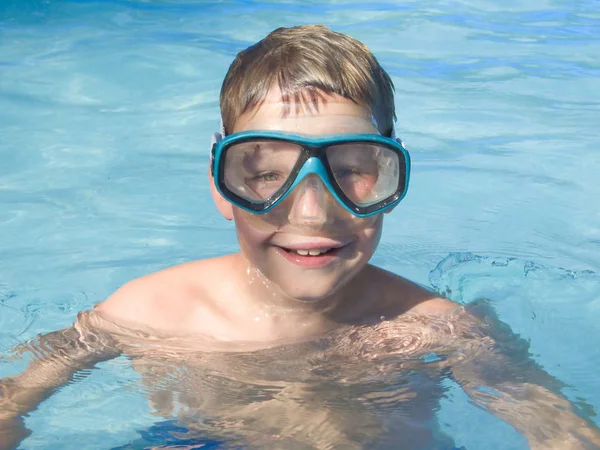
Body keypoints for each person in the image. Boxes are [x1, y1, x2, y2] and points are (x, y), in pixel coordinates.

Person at [1, 25, 599, 450]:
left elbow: (561, 431)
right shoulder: (146, 312)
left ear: (393, 179)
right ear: (220, 185)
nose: (311, 210)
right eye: (263, 173)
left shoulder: (436, 328)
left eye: (353, 170)